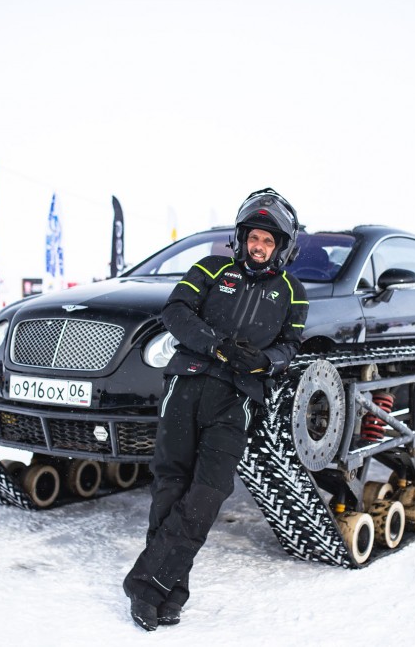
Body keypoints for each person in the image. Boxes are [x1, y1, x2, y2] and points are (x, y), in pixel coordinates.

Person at [123, 188, 308, 631]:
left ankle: (145, 582)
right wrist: (217, 346)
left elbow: (291, 346)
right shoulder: (210, 268)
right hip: (187, 383)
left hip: (238, 397)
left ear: (281, 246)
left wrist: (266, 362)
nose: (258, 247)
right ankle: (169, 593)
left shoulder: (292, 291)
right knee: (172, 486)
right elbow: (176, 312)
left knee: (210, 491)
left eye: (268, 241)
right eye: (253, 238)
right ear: (241, 238)